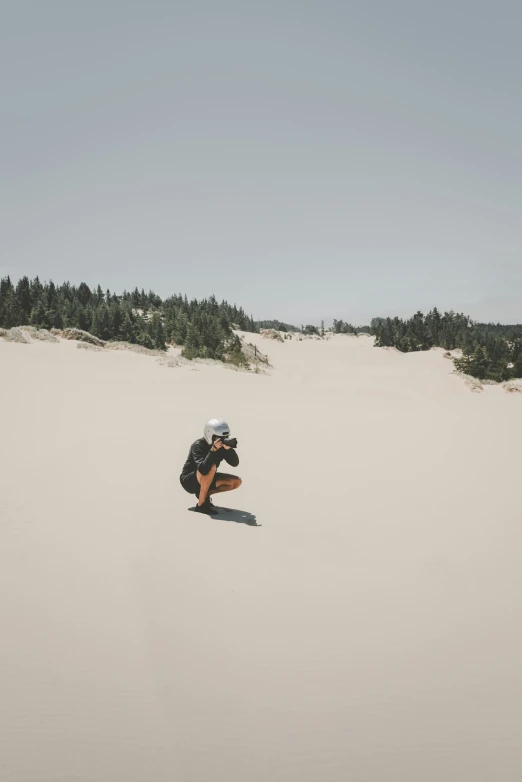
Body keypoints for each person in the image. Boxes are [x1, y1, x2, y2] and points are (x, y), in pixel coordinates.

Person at [180, 418, 241, 514]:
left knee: (235, 482)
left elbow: (235, 463)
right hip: (189, 481)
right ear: (210, 435)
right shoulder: (198, 445)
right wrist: (213, 450)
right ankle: (201, 505)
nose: (222, 440)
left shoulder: (222, 447)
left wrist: (228, 450)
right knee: (211, 467)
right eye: (220, 437)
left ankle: (203, 495)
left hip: (207, 477)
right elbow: (203, 470)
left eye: (226, 437)